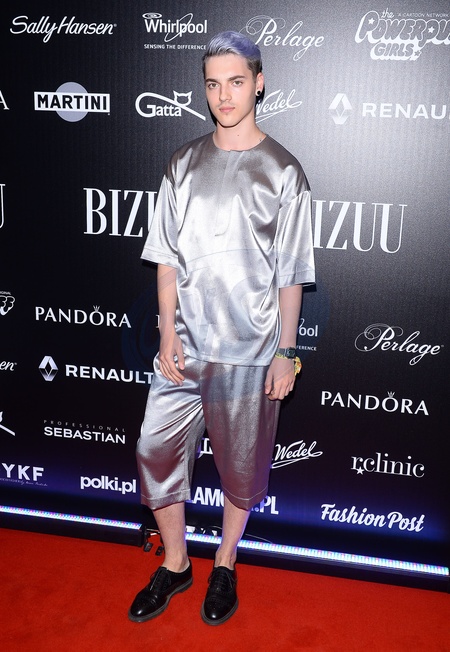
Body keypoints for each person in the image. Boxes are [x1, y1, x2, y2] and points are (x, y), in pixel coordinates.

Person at [129, 30, 315, 626]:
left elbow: (292, 273)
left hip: (250, 351)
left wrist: (286, 350)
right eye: (213, 84)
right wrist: (166, 331)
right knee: (154, 450)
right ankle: (176, 562)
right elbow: (166, 257)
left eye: (236, 82)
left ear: (259, 83)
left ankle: (225, 563)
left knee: (242, 467)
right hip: (183, 347)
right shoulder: (182, 162)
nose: (224, 96)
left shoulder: (284, 171)